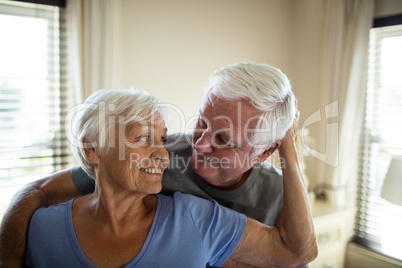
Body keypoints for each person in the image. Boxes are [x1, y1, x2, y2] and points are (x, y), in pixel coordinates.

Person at [0, 63, 313, 267]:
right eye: (201, 121)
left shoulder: (276, 192)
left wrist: (290, 149)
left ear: (261, 154)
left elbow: (300, 253)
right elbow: (35, 191)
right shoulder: (162, 155)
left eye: (223, 139)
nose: (199, 144)